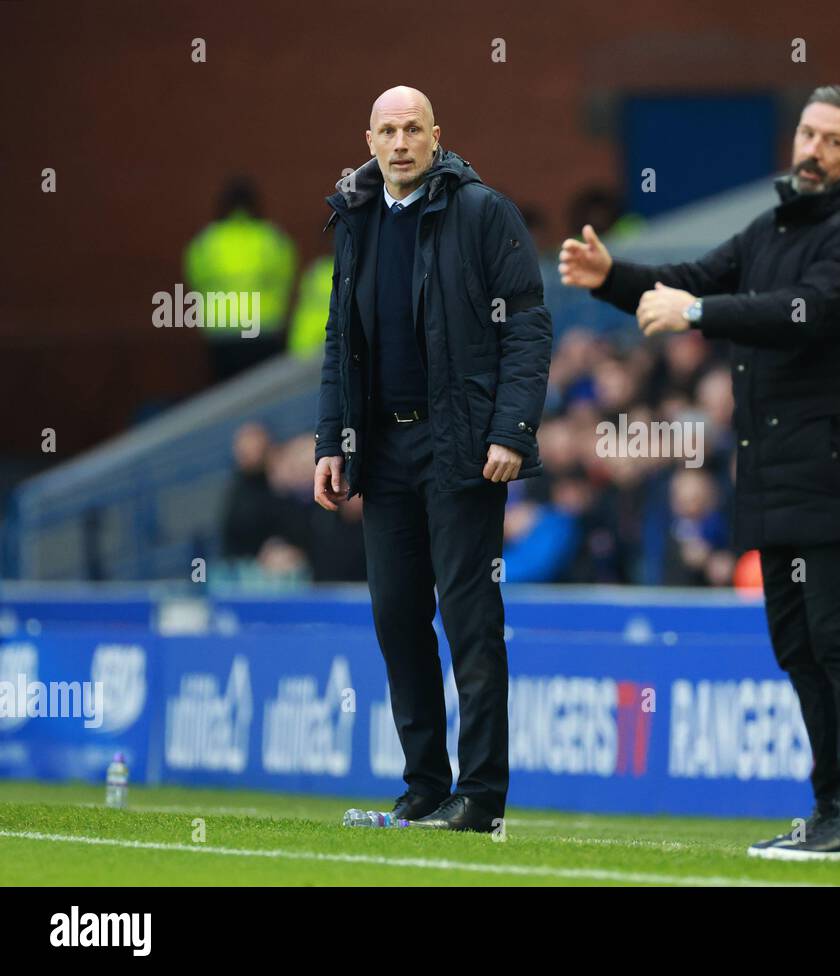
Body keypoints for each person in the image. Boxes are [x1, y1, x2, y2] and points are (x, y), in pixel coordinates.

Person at [561, 85, 840, 860]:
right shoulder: (773, 225)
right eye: (808, 133)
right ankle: (832, 813)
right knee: (797, 645)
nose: (813, 150)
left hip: (838, 468)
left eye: (834, 141)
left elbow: (811, 311)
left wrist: (696, 316)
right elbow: (698, 275)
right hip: (777, 473)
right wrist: (613, 277)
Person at [313, 86, 552, 832]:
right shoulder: (354, 217)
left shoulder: (481, 211)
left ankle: (479, 797)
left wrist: (511, 429)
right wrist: (331, 442)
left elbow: (528, 327)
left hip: (462, 446)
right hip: (381, 449)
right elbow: (337, 343)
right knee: (396, 616)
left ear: (437, 136)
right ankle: (423, 786)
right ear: (370, 139)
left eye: (414, 128)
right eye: (388, 130)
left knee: (470, 618)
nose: (402, 141)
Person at [184, 177, 297, 381]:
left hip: (222, 334)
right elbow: (286, 278)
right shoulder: (271, 238)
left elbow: (195, 279)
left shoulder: (207, 241)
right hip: (264, 330)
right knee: (264, 396)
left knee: (229, 398)